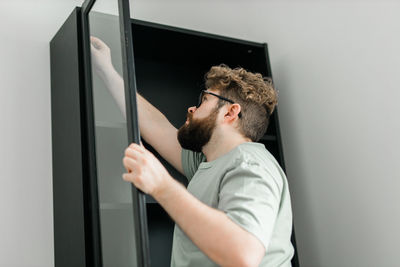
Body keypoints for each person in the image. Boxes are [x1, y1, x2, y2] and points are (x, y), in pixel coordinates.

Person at [91, 36, 294, 267]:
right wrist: (105, 69)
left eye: (204, 100)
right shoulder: (206, 163)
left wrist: (161, 185)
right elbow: (156, 126)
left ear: (229, 113)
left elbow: (243, 255)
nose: (191, 108)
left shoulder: (249, 164)